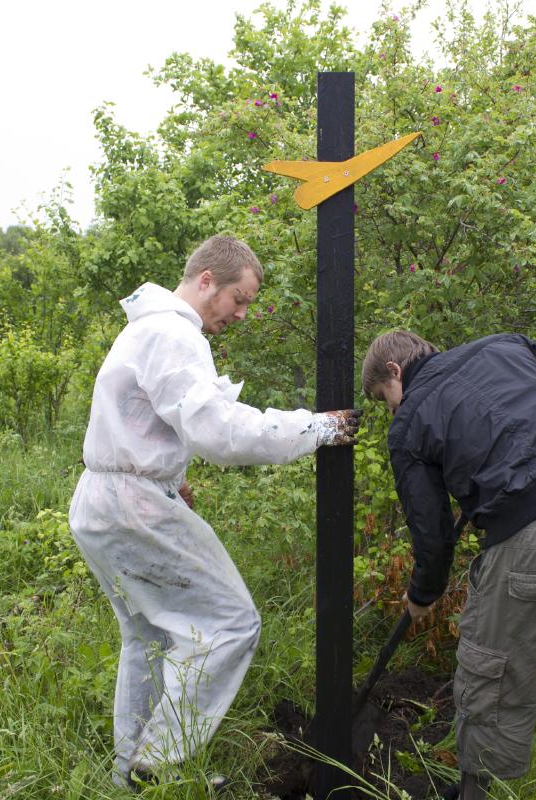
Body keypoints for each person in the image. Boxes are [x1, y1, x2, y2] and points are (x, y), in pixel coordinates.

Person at [69, 235, 361, 790]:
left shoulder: (146, 329)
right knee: (231, 622)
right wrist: (315, 427)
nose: (243, 314)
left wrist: (170, 480)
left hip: (102, 500)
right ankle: (159, 763)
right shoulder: (175, 334)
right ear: (206, 281)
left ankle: (126, 775)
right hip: (131, 505)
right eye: (239, 297)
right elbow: (219, 432)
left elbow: (140, 423)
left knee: (151, 638)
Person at [360, 330, 536, 799]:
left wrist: (422, 595)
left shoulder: (410, 420)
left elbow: (432, 536)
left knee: (492, 678)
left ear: (394, 371)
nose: (391, 410)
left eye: (384, 398)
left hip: (528, 540)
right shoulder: (507, 346)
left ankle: (477, 793)